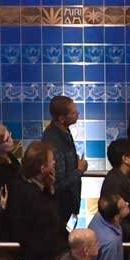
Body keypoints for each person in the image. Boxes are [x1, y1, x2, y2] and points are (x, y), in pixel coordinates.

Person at [40, 96, 86, 229]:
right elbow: (57, 184)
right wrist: (79, 171)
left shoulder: (64, 132)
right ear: (61, 119)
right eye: (73, 112)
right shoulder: (53, 142)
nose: (78, 113)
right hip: (61, 209)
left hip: (69, 205)